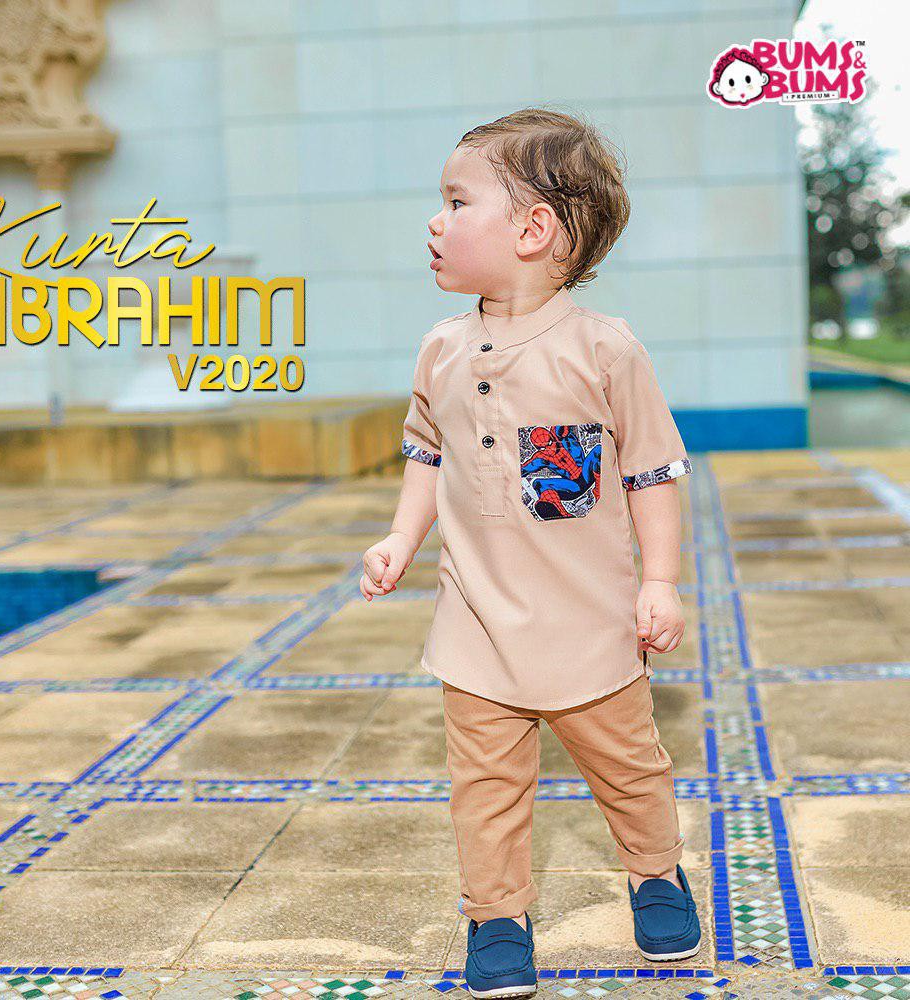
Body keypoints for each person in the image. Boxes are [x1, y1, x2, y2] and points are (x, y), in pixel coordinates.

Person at [361, 107, 701, 996]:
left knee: (630, 772)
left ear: (532, 230)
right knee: (485, 788)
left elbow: (650, 472)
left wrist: (661, 581)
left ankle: (656, 873)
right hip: (475, 627)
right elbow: (427, 454)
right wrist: (401, 536)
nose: (435, 221)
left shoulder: (604, 350)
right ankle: (497, 916)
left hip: (589, 630)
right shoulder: (440, 349)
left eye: (455, 202)